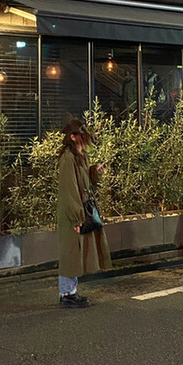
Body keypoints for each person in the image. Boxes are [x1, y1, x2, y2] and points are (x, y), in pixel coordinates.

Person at [57, 120, 112, 308]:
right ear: (72, 137)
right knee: (70, 252)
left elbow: (85, 180)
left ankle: (70, 292)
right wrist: (76, 217)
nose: (85, 137)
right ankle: (67, 294)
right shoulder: (68, 157)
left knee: (75, 252)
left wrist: (95, 171)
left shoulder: (80, 155)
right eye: (81, 134)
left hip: (80, 209)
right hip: (73, 212)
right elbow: (69, 189)